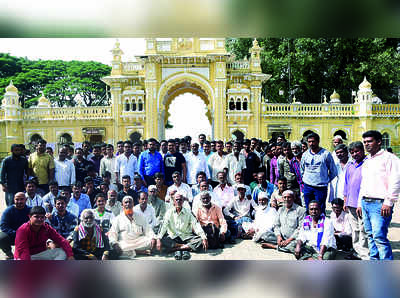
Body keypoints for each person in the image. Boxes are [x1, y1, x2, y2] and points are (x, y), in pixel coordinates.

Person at [359, 130, 400, 260]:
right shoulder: (367, 161)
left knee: (379, 237)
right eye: (365, 142)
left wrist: (389, 202)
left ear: (379, 142)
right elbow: (363, 183)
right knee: (370, 236)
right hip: (366, 202)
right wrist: (360, 203)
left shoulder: (389, 158)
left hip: (380, 204)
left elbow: (395, 180)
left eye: (369, 141)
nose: (367, 144)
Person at [156, 192, 208, 260]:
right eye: (176, 200)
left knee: (201, 240)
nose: (178, 201)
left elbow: (196, 224)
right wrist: (159, 239)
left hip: (186, 237)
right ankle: (185, 247)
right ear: (173, 201)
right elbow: (164, 226)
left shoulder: (188, 212)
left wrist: (203, 237)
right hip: (174, 237)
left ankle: (176, 249)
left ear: (183, 201)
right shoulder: (169, 212)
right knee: (162, 240)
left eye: (180, 200)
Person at [343, 141, 369, 260]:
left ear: (363, 151)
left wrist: (361, 203)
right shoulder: (350, 165)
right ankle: (356, 251)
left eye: (357, 151)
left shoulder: (368, 164)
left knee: (364, 229)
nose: (355, 154)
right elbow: (346, 185)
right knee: (355, 229)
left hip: (363, 203)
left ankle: (364, 254)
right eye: (352, 152)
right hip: (351, 203)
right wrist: (345, 201)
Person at [301, 132, 337, 213]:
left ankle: (320, 225)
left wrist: (325, 180)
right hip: (308, 186)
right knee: (308, 208)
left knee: (319, 209)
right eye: (309, 142)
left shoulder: (325, 154)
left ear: (318, 141)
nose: (311, 144)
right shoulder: (305, 154)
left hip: (320, 187)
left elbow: (333, 171)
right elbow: (302, 170)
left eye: (313, 141)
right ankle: (309, 224)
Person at [0, 192, 31, 259]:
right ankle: (9, 253)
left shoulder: (30, 210)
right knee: (1, 237)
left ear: (26, 200)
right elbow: (3, 226)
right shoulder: (8, 211)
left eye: (22, 199)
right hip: (13, 235)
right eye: (17, 199)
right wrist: (16, 233)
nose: (19, 201)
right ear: (14, 200)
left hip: (27, 235)